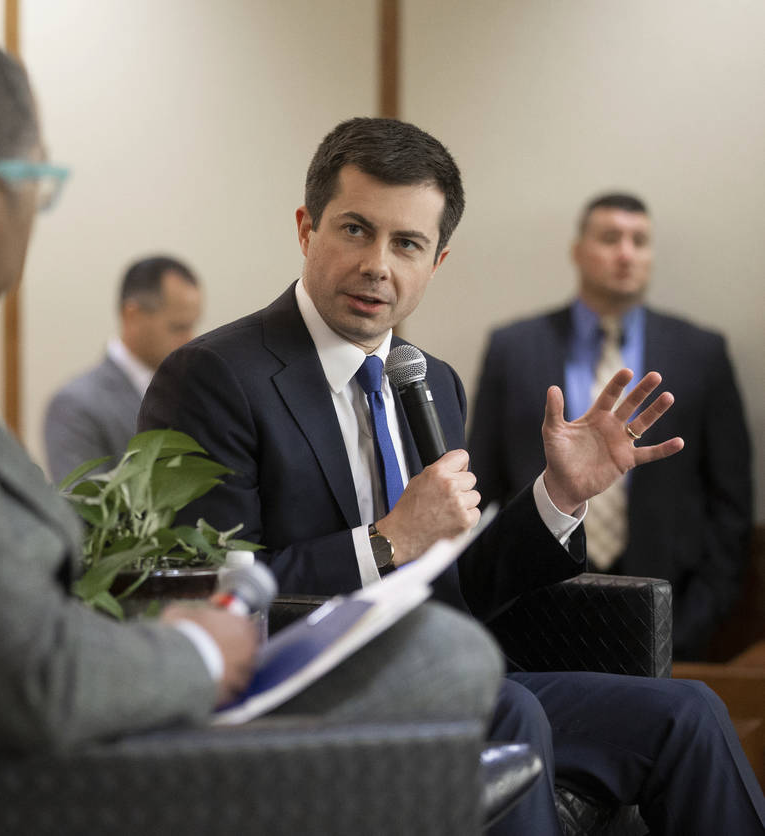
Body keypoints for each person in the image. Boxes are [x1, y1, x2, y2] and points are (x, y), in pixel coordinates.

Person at [0, 28, 504, 758]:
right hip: (10, 781)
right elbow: (38, 679)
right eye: (41, 187)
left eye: (409, 243)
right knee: (452, 661)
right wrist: (199, 650)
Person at [139, 118, 765, 834]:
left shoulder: (429, 380)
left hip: (450, 673)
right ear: (306, 228)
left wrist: (558, 497)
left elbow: (459, 583)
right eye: (354, 230)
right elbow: (210, 596)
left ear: (435, 262)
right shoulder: (215, 378)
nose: (379, 264)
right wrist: (385, 542)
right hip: (306, 696)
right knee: (508, 709)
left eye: (407, 243)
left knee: (691, 714)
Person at [469, 193, 753, 660]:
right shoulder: (513, 348)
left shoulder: (702, 351)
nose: (626, 253)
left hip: (669, 609)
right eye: (609, 238)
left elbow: (730, 503)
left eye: (639, 241)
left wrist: (689, 627)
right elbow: (484, 487)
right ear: (578, 251)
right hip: (532, 609)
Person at [43, 255, 202, 484]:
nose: (190, 339)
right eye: (178, 327)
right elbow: (86, 510)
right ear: (133, 316)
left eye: (193, 325)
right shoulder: (75, 404)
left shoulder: (195, 392)